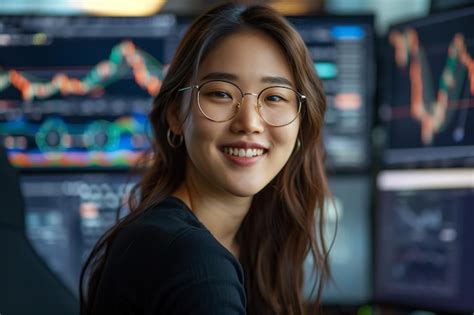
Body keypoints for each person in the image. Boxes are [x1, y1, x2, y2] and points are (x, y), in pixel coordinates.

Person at [80, 2, 330, 314]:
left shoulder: (239, 243)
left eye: (275, 97)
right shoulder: (192, 259)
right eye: (221, 94)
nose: (249, 122)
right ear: (175, 115)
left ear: (300, 123)